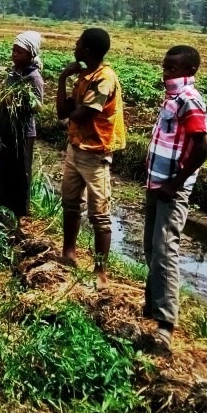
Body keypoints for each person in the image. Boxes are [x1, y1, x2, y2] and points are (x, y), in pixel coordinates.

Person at [143, 45, 207, 350]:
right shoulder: (172, 97)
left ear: (190, 71)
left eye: (172, 68)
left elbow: (204, 146)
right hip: (157, 183)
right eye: (165, 67)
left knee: (165, 250)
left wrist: (176, 182)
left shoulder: (188, 99)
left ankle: (165, 323)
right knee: (150, 246)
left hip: (171, 188)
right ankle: (152, 305)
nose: (166, 73)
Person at [56, 27, 126, 288]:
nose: (74, 47)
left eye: (78, 44)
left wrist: (72, 110)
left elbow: (81, 115)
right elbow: (63, 112)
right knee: (70, 203)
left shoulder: (104, 78)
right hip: (76, 147)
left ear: (86, 50)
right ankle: (69, 253)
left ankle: (100, 271)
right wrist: (63, 78)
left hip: (96, 153)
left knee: (100, 214)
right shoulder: (84, 75)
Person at [0, 31, 45, 242]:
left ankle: (17, 220)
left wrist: (18, 100)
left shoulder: (33, 77)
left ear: (31, 54)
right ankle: (4, 212)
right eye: (14, 50)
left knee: (20, 175)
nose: (14, 54)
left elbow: (37, 106)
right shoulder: (13, 72)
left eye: (19, 51)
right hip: (6, 130)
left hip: (22, 134)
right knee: (4, 170)